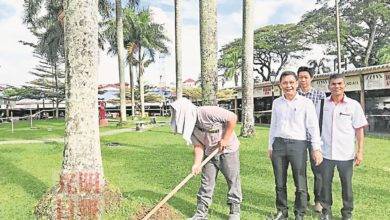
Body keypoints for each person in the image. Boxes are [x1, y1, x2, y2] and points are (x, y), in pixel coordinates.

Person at [170, 98, 242, 220]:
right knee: (206, 183)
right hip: (209, 154)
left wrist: (225, 139)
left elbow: (232, 118)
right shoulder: (190, 127)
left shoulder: (207, 112)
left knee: (232, 180)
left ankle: (234, 211)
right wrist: (197, 164)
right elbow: (199, 146)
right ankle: (201, 214)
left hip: (228, 151)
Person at [268, 71, 323, 220]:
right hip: (279, 144)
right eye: (285, 83)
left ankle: (300, 213)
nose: (288, 86)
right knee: (279, 181)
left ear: (297, 83)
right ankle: (282, 211)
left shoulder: (306, 103)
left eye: (291, 82)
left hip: (298, 145)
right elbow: (273, 126)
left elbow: (313, 127)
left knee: (300, 181)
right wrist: (270, 146)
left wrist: (316, 148)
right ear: (280, 85)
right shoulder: (277, 103)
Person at [319, 74, 368, 220]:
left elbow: (359, 130)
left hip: (345, 154)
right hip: (325, 153)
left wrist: (360, 152)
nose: (336, 86)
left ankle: (347, 213)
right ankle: (326, 211)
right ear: (329, 86)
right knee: (325, 184)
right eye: (333, 84)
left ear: (344, 85)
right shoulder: (322, 104)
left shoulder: (353, 105)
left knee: (346, 185)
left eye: (340, 83)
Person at [297, 66, 326, 212]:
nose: (302, 80)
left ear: (311, 78)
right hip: (298, 139)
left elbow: (321, 118)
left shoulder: (320, 95)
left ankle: (319, 201)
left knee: (318, 171)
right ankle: (303, 199)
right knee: (300, 170)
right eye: (300, 77)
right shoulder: (293, 95)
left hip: (315, 139)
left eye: (305, 77)